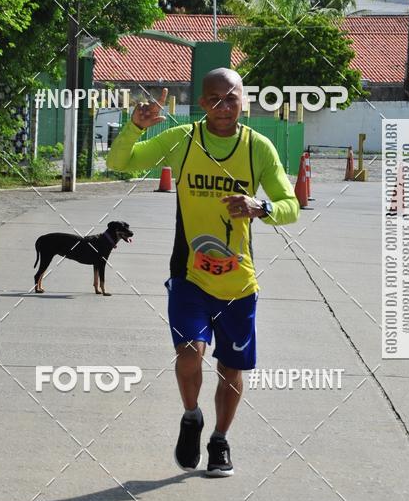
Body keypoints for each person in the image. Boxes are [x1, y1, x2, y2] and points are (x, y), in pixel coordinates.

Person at [107, 68, 300, 476]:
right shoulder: (184, 140)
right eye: (214, 98)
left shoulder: (259, 148)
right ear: (201, 103)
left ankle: (220, 440)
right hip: (189, 274)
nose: (223, 106)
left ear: (244, 101)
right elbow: (119, 162)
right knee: (190, 353)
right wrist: (134, 128)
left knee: (231, 370)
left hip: (238, 281)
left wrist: (260, 207)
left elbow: (290, 206)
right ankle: (191, 415)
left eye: (231, 97)